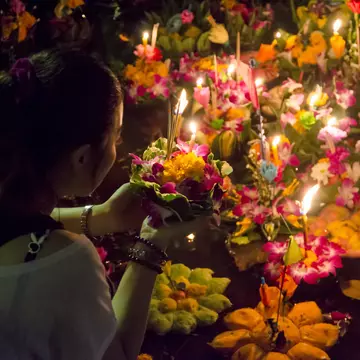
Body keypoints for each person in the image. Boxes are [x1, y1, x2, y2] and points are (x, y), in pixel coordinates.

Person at [0, 49, 205, 360]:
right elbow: (116, 352)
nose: (117, 148)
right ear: (81, 157)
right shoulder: (66, 263)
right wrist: (151, 244)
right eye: (115, 136)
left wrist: (100, 217)